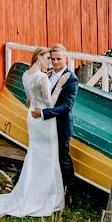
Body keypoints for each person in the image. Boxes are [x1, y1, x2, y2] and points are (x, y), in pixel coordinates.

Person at [0, 47, 68, 217]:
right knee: (49, 157)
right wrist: (59, 85)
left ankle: (31, 191)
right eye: (47, 58)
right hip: (44, 121)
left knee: (35, 155)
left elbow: (30, 99)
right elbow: (50, 103)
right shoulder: (42, 77)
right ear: (39, 57)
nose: (50, 62)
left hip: (32, 118)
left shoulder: (25, 75)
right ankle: (47, 197)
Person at [33, 43, 79, 205]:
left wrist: (44, 113)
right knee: (40, 151)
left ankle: (71, 192)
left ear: (66, 58)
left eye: (59, 59)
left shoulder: (72, 79)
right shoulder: (50, 73)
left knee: (63, 158)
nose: (55, 62)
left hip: (61, 125)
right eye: (52, 59)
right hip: (46, 124)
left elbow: (67, 107)